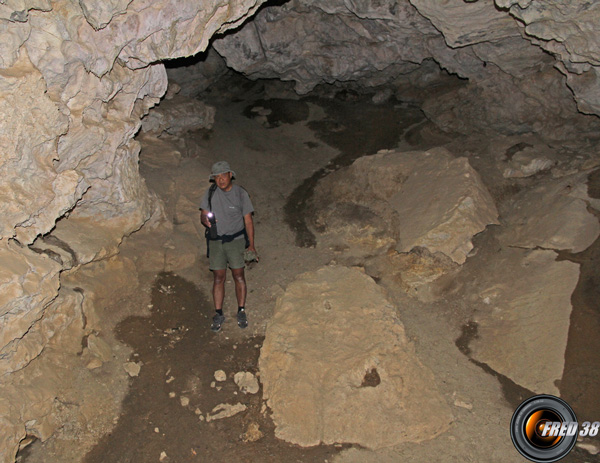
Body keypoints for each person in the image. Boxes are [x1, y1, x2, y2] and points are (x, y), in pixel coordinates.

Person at [200, 161, 257, 332]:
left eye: (223, 176)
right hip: (216, 241)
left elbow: (248, 220)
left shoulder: (240, 194)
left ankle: (241, 310)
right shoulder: (210, 193)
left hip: (236, 239)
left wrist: (251, 245)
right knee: (218, 277)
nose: (220, 180)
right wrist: (205, 221)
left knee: (238, 274)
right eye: (217, 177)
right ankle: (218, 313)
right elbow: (203, 214)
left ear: (230, 175)